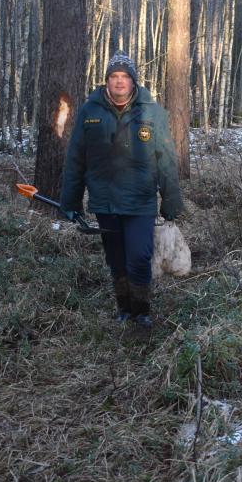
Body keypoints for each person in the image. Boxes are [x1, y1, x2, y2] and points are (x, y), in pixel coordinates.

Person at [59, 51, 183, 328]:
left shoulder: (151, 111)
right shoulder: (89, 112)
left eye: (124, 77)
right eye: (113, 76)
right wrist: (70, 201)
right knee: (116, 259)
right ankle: (124, 309)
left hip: (141, 200)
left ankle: (142, 311)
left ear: (133, 81)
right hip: (106, 200)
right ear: (106, 81)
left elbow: (167, 159)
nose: (119, 82)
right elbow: (76, 158)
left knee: (139, 256)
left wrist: (171, 201)